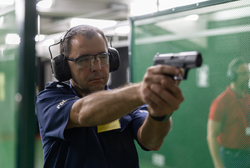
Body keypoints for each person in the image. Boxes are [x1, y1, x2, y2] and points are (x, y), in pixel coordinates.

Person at [36, 25, 184, 168]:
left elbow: (151, 142)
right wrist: (143, 90)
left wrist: (159, 114)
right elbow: (82, 112)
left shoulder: (124, 101)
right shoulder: (49, 100)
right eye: (83, 60)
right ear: (64, 67)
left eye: (102, 57)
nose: (97, 67)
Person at [207, 58, 250, 168]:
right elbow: (211, 136)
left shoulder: (248, 98)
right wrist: (218, 164)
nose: (248, 77)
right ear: (233, 76)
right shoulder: (221, 102)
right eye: (244, 73)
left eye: (248, 72)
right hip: (230, 158)